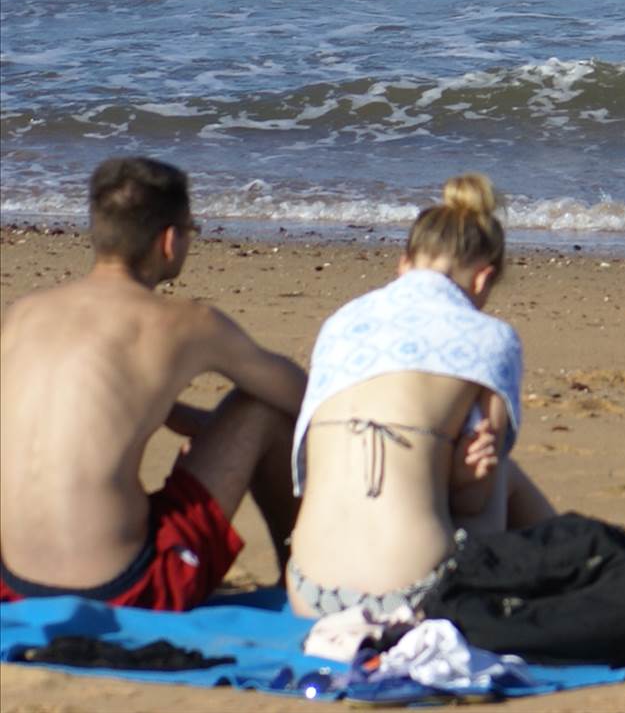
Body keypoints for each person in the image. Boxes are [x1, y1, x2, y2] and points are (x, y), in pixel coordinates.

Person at [0, 156, 304, 608]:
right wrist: (216, 424)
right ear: (169, 240)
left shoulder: (22, 315)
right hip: (125, 586)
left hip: (13, 580)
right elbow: (306, 398)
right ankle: (297, 582)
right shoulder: (185, 323)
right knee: (262, 408)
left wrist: (177, 414)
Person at [285, 172, 555, 619]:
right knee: (502, 468)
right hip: (411, 596)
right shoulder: (490, 337)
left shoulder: (342, 321)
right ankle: (569, 566)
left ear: (403, 264)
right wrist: (474, 472)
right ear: (483, 279)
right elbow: (472, 500)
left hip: (308, 592)